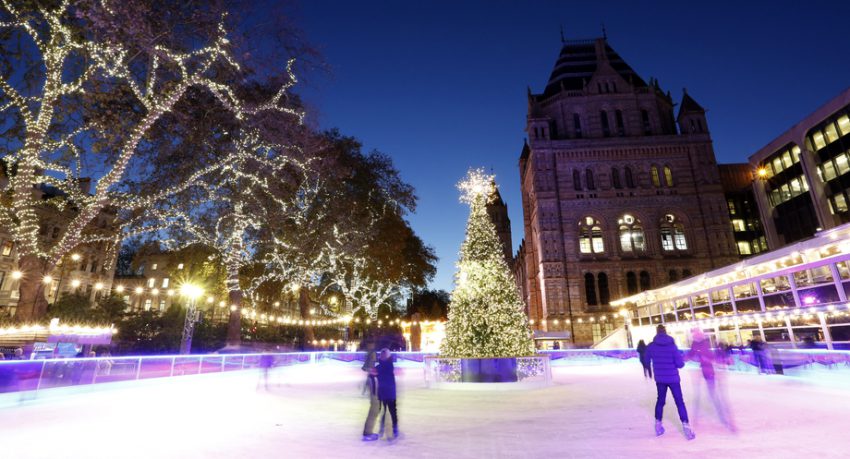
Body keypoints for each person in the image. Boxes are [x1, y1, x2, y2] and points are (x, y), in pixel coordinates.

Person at [647, 324, 694, 440]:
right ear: (666, 332)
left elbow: (646, 359)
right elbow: (680, 364)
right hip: (673, 379)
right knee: (679, 402)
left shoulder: (652, 346)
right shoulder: (672, 346)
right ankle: (686, 425)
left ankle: (658, 425)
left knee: (660, 401)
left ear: (656, 332)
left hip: (660, 379)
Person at [687, 328, 735, 431]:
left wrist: (724, 361)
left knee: (717, 397)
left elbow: (711, 356)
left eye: (697, 336)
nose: (696, 337)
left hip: (711, 372)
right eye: (695, 336)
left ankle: (728, 421)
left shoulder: (704, 344)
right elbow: (691, 354)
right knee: (703, 396)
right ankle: (696, 418)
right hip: (705, 371)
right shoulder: (696, 344)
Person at [376, 348, 399, 440]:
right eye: (381, 355)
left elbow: (384, 370)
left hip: (390, 392)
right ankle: (381, 429)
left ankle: (395, 428)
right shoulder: (380, 366)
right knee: (383, 411)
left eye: (384, 355)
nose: (382, 356)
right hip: (382, 392)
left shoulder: (389, 365)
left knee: (392, 411)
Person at [361, 346, 380, 441]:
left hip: (373, 381)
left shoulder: (372, 354)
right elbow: (365, 368)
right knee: (374, 408)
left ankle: (368, 432)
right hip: (373, 382)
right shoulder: (371, 354)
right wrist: (372, 371)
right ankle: (367, 433)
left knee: (375, 408)